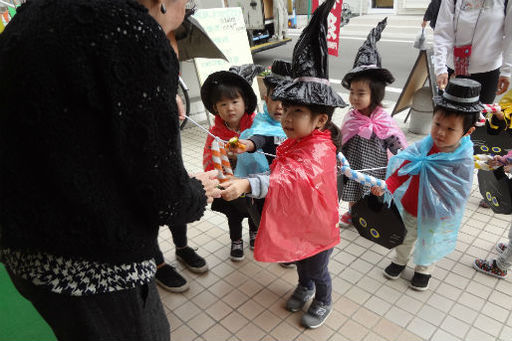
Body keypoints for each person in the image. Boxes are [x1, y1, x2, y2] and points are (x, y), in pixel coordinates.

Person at [0, 0, 221, 340]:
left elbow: (69, 122)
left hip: (24, 249)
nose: (186, 9)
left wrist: (143, 100)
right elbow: (166, 199)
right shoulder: (131, 30)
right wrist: (196, 191)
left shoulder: (33, 12)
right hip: (94, 268)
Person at [220, 0, 346, 328]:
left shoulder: (319, 150)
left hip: (317, 223)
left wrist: (247, 183)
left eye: (297, 113)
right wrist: (248, 143)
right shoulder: (294, 139)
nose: (287, 119)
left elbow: (289, 174)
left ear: (321, 119)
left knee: (317, 265)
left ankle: (323, 297)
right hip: (298, 218)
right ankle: (304, 286)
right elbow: (272, 145)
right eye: (286, 110)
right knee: (300, 259)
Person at [372, 78, 481, 291]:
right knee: (405, 236)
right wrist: (388, 186)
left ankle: (423, 269)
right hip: (411, 206)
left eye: (450, 129)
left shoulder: (463, 159)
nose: (440, 132)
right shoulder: (425, 146)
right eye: (437, 124)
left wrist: (447, 210)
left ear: (467, 132)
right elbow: (404, 169)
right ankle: (400, 261)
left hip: (436, 213)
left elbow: (460, 190)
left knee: (428, 242)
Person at [339, 18, 407, 227]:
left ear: (375, 94)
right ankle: (353, 213)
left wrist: (404, 157)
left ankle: (374, 215)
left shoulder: (383, 120)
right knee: (354, 190)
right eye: (352, 92)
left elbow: (394, 141)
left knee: (375, 192)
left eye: (361, 93)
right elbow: (343, 139)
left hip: (377, 167)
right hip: (355, 163)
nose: (354, 98)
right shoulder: (351, 117)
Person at [201, 64, 262, 261]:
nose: (230, 108)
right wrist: (219, 172)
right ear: (215, 108)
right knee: (233, 214)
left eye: (235, 101)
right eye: (223, 104)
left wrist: (244, 154)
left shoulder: (256, 126)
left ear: (245, 102)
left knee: (254, 207)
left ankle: (254, 232)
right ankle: (236, 239)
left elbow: (265, 153)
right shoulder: (216, 133)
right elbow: (209, 160)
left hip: (252, 180)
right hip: (228, 182)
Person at [233, 60, 290, 249]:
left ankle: (282, 241)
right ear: (266, 99)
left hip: (288, 183)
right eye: (275, 98)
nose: (280, 106)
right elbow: (258, 140)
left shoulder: (295, 128)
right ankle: (262, 233)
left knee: (285, 214)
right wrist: (246, 145)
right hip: (265, 183)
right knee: (264, 211)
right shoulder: (261, 125)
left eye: (286, 100)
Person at [433, 0, 511, 102]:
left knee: (479, 116)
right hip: (453, 70)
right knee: (448, 116)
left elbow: (510, 35)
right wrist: (440, 68)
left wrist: (506, 71)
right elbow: (443, 31)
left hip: (488, 72)